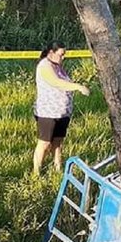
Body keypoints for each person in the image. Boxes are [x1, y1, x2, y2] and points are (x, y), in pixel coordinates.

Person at [33, 40, 89, 175]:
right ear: (51, 53)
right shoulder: (44, 66)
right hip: (48, 112)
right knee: (45, 143)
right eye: (61, 54)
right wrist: (78, 87)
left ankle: (58, 170)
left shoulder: (57, 66)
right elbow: (56, 83)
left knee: (57, 143)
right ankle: (36, 173)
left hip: (62, 112)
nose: (63, 58)